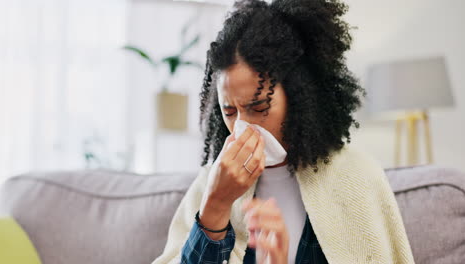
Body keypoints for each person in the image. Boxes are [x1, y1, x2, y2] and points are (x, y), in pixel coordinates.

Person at [154, 0, 415, 263]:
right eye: (230, 111)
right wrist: (215, 208)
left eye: (258, 107)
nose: (243, 127)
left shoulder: (357, 177)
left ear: (299, 96)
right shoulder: (210, 183)